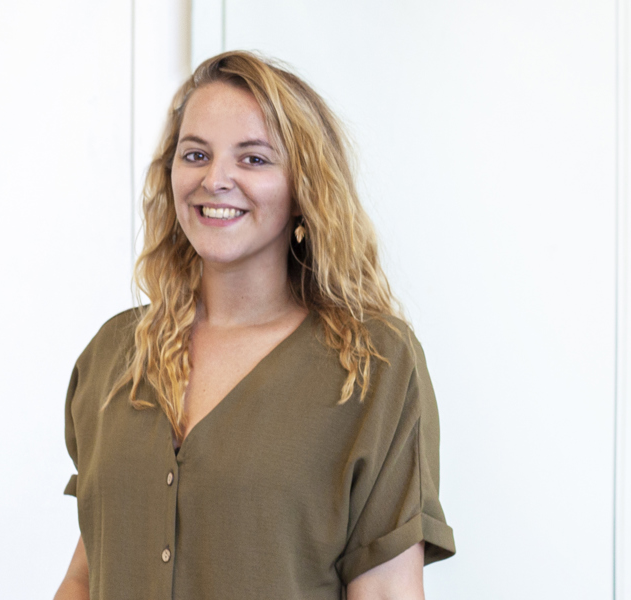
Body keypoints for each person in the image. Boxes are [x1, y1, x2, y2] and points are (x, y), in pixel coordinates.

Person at [55, 50, 455, 600]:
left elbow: (387, 593)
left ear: (303, 189)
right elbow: (83, 578)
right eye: (195, 154)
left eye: (254, 159)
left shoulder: (370, 365)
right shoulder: (113, 356)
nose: (215, 180)